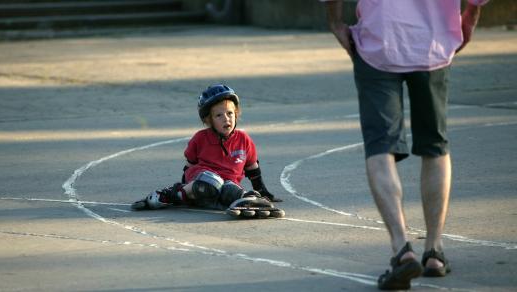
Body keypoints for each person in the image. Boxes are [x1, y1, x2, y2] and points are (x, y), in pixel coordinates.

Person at [321, 0, 488, 289]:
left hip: (378, 42)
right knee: (435, 145)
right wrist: (471, 12)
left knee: (379, 147)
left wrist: (335, 19)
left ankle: (402, 248)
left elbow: (335, 14)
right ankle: (434, 251)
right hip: (433, 42)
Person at [131, 84, 284, 219]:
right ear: (208, 120)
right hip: (200, 186)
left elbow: (252, 167)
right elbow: (189, 166)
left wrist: (262, 192)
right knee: (211, 181)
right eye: (219, 115)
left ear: (236, 114)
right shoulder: (200, 138)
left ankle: (246, 201)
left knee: (229, 188)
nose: (226, 119)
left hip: (224, 190)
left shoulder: (244, 139)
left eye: (230, 113)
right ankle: (167, 195)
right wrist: (185, 189)